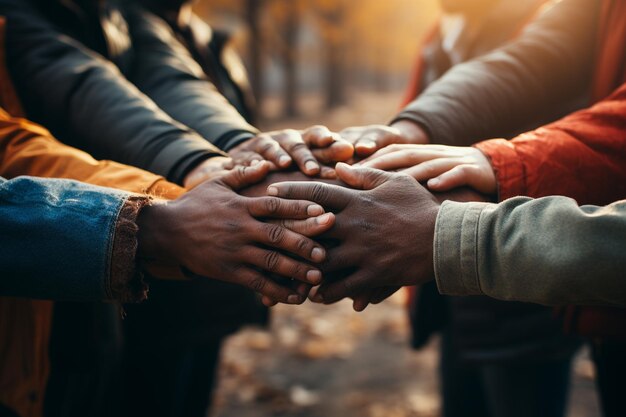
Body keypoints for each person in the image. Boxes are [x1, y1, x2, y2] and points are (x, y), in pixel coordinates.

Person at [271, 77, 626, 417]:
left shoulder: (542, 22)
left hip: (525, 303)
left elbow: (538, 63)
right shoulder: (439, 35)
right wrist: (411, 129)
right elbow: (517, 62)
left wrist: (457, 229)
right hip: (451, 290)